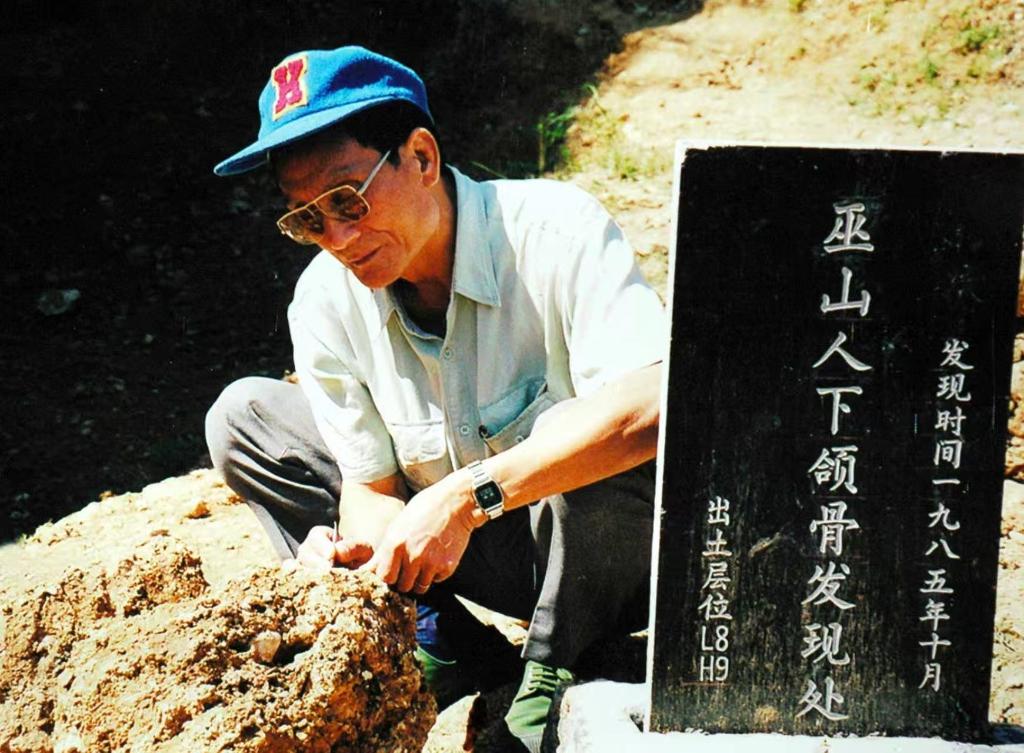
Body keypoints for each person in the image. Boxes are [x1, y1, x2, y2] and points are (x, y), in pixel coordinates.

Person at [205, 45, 665, 752]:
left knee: (588, 421)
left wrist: (465, 498)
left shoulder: (555, 231)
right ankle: (436, 639)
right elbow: (370, 488)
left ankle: (558, 662)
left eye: (347, 199)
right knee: (244, 418)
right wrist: (360, 554)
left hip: (612, 559)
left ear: (421, 156)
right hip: (480, 557)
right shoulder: (324, 300)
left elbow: (654, 406)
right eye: (307, 220)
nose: (337, 239)